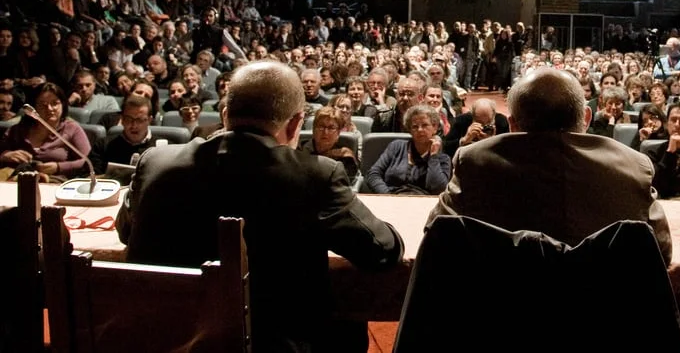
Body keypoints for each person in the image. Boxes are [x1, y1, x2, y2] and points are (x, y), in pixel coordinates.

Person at [115, 60, 404, 353]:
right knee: (349, 327)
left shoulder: (155, 162)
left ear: (225, 115)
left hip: (167, 341)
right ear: (295, 124)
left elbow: (126, 232)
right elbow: (382, 252)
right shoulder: (316, 174)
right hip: (272, 345)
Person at [429, 67, 673, 264]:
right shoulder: (634, 166)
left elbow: (436, 235)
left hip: (499, 315)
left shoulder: (474, 161)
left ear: (512, 124)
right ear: (586, 118)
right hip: (603, 318)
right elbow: (661, 250)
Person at [0, 82, 90, 179]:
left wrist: (58, 167)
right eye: (43, 105)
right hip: (16, 180)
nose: (49, 109)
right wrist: (4, 155)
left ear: (63, 105)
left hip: (54, 181)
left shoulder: (72, 129)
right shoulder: (18, 129)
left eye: (55, 103)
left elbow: (88, 162)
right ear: (33, 108)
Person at [365, 104, 451, 194]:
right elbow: (373, 174)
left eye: (425, 125)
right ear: (409, 130)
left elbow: (438, 188)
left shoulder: (443, 159)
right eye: (415, 126)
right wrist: (387, 195)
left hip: (423, 203)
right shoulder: (396, 147)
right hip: (390, 199)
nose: (420, 130)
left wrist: (433, 157)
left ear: (435, 128)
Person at [90, 94, 155, 172]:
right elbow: (88, 177)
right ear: (122, 120)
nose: (134, 125)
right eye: (129, 119)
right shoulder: (103, 145)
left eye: (139, 120)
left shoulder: (162, 147)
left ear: (149, 120)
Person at [443, 97, 510, 157]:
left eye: (489, 122)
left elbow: (508, 151)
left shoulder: (501, 122)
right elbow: (446, 147)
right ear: (472, 116)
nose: (484, 126)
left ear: (494, 115)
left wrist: (492, 141)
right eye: (480, 122)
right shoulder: (461, 121)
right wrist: (464, 140)